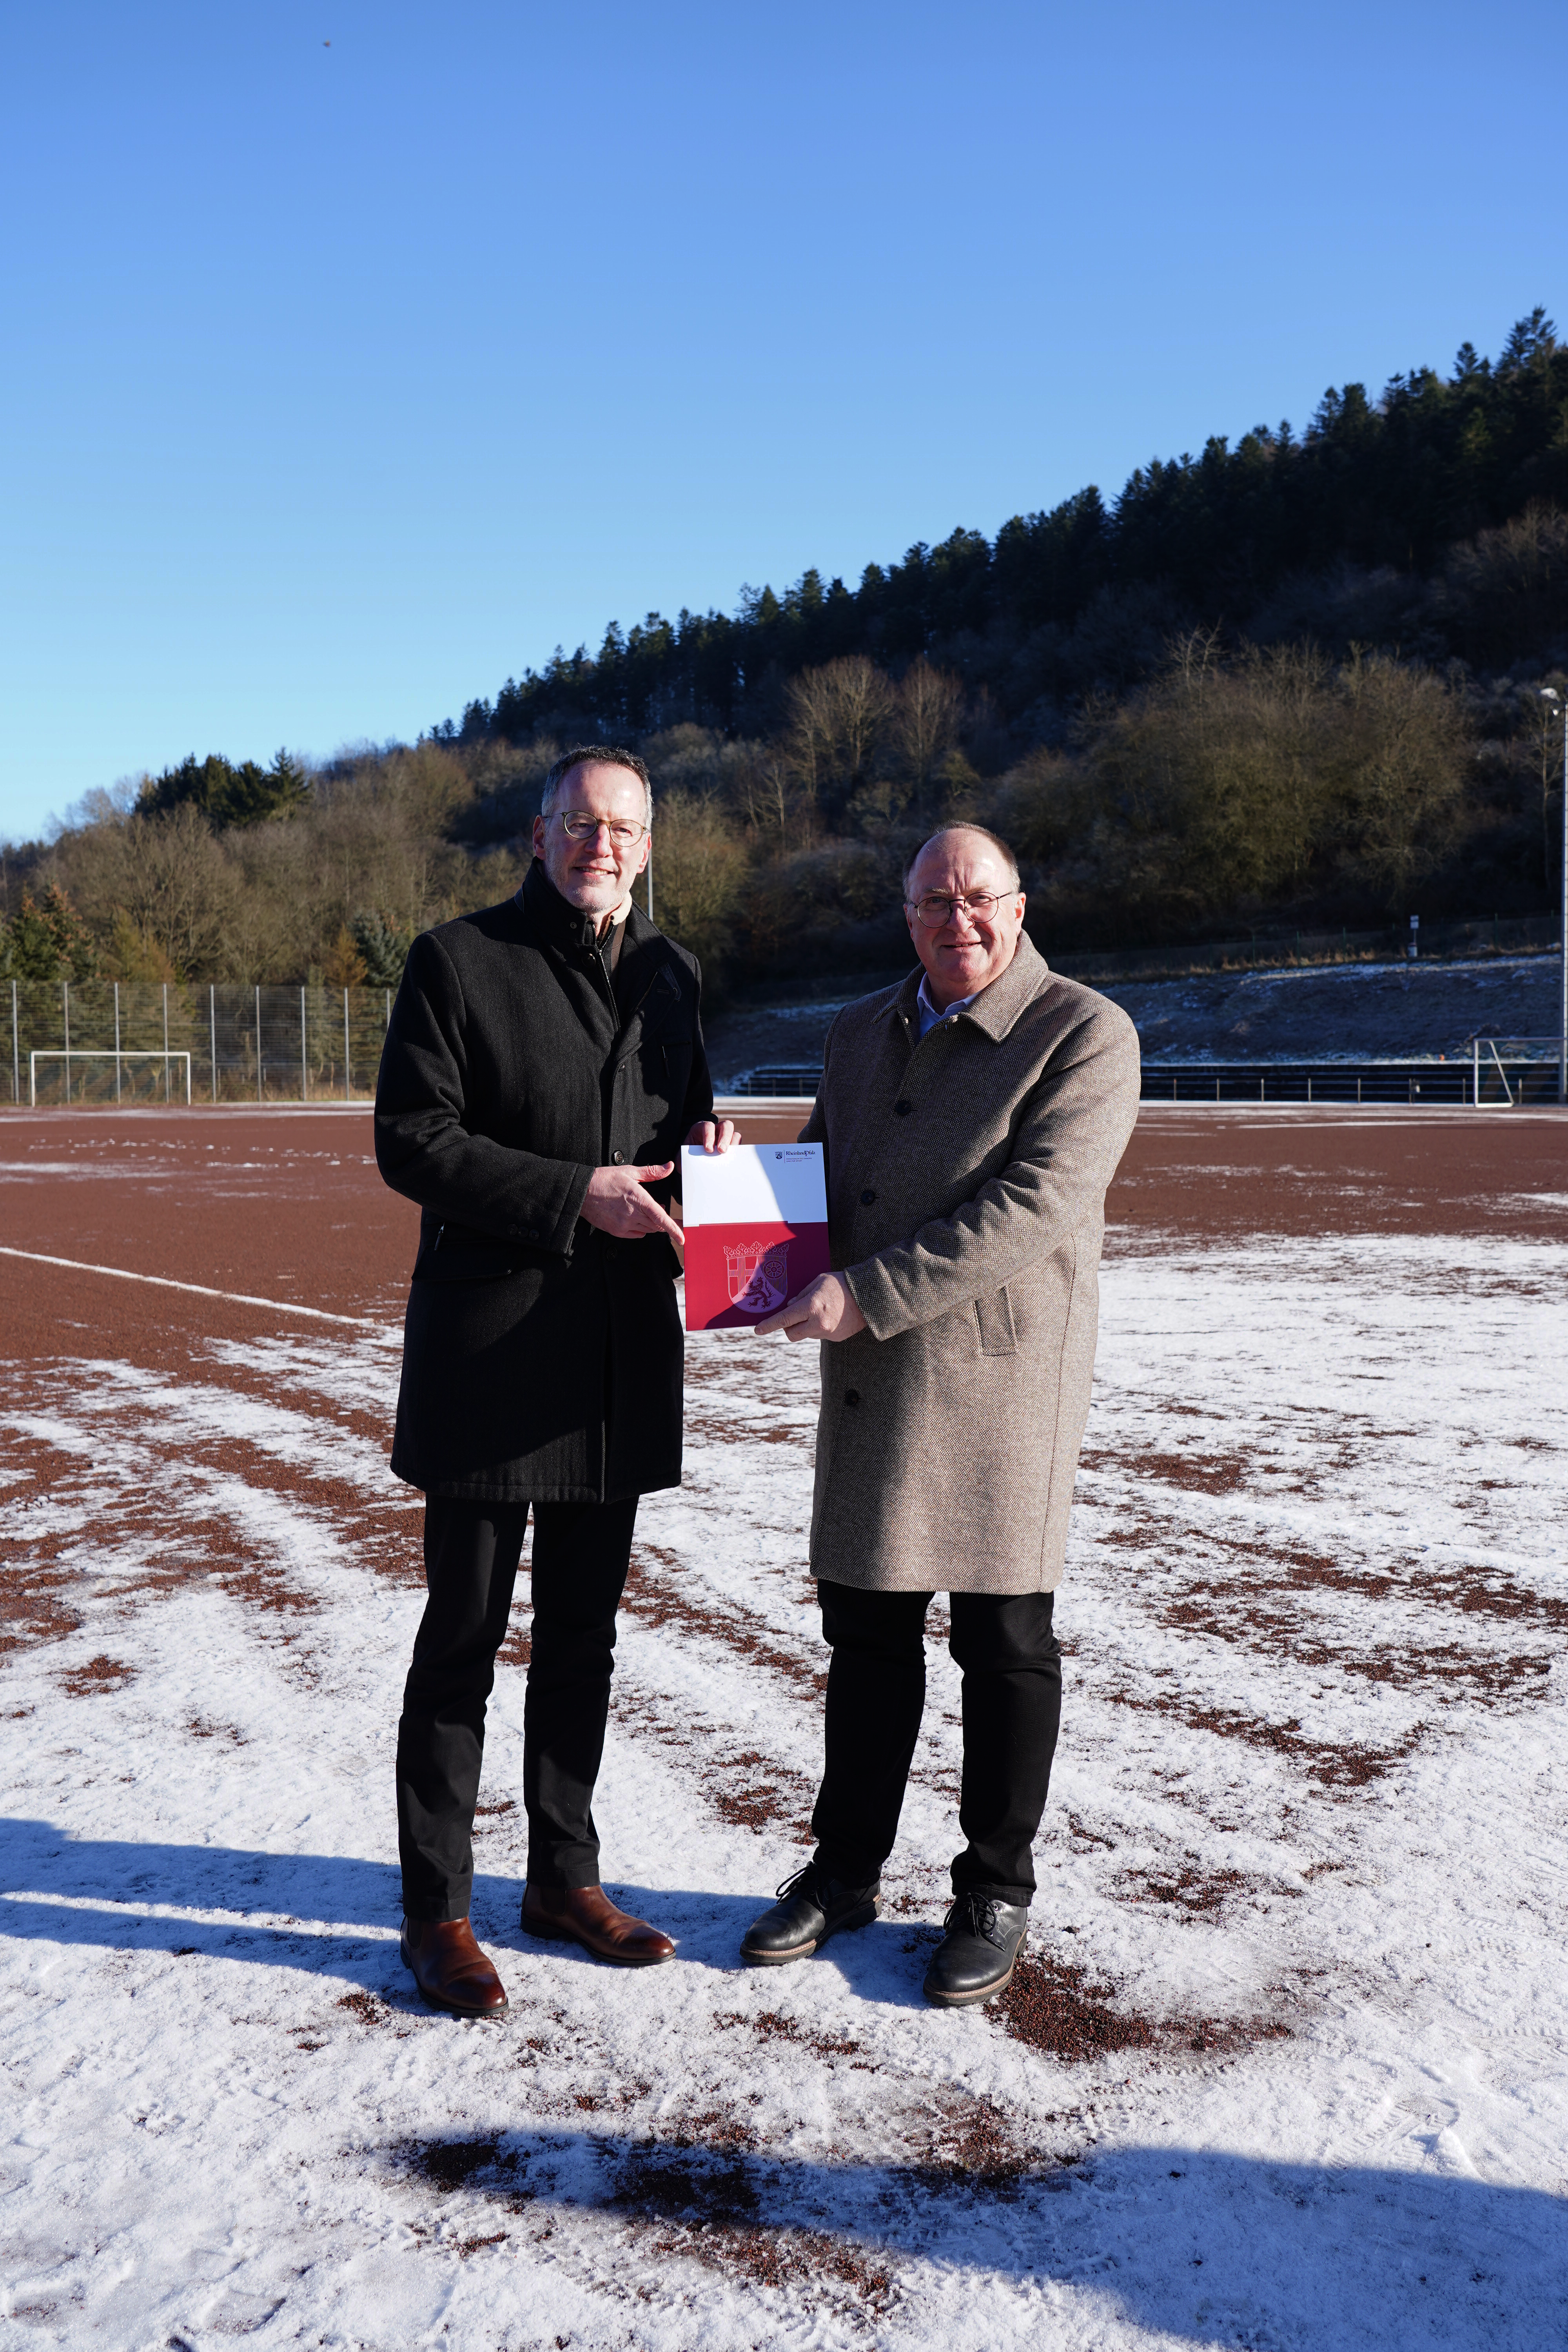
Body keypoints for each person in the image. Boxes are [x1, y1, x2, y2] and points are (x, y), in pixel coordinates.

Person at [742, 824, 1140, 2005]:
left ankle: (994, 1886)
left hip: (1001, 1384)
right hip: (875, 1382)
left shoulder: (1082, 1031)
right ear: (905, 912)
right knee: (865, 1641)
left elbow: (1034, 1206)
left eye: (978, 899)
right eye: (931, 902)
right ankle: (847, 1869)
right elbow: (817, 1176)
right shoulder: (860, 1029)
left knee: (1003, 1643)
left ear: (1019, 907)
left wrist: (864, 1294)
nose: (954, 920)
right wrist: (735, 1186)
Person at [376, 744, 737, 2018]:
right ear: (539, 836)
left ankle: (561, 1879)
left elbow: (679, 1126)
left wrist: (710, 1153)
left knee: (584, 1637)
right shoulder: (458, 960)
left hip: (618, 1358)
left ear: (648, 844)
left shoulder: (673, 974)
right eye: (580, 823)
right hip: (492, 1354)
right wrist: (570, 1195)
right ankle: (439, 1908)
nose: (603, 844)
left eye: (625, 827)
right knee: (462, 1642)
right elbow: (412, 1142)